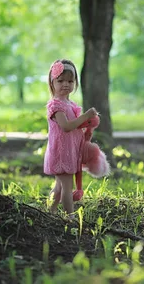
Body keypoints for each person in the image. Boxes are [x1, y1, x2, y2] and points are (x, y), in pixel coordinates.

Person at [44, 59, 98, 215]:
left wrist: (87, 127)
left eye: (70, 80)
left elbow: (75, 126)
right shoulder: (56, 106)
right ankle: (70, 217)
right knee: (67, 188)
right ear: (52, 82)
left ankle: (51, 212)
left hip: (69, 151)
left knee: (60, 186)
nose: (65, 84)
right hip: (60, 152)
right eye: (60, 81)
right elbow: (66, 127)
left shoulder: (70, 104)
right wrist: (85, 116)